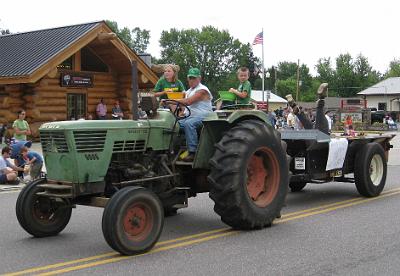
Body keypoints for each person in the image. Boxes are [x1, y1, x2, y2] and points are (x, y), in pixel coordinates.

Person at [174, 68, 213, 162]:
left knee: (189, 124)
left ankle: (192, 152)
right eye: (190, 78)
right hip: (191, 116)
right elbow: (183, 104)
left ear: (199, 78)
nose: (191, 80)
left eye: (193, 78)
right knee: (174, 124)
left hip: (205, 115)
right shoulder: (188, 91)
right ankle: (175, 149)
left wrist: (172, 101)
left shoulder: (202, 90)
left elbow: (188, 102)